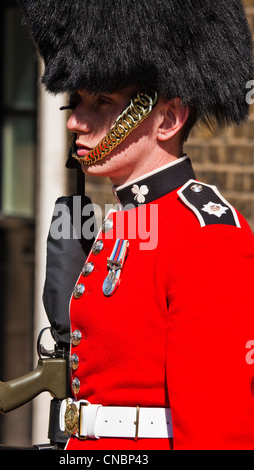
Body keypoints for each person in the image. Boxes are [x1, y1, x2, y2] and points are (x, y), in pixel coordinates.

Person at [19, 0, 254, 450]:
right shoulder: (119, 223)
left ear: (167, 118)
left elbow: (218, 430)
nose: (74, 121)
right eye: (77, 101)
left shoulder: (208, 238)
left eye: (102, 102)